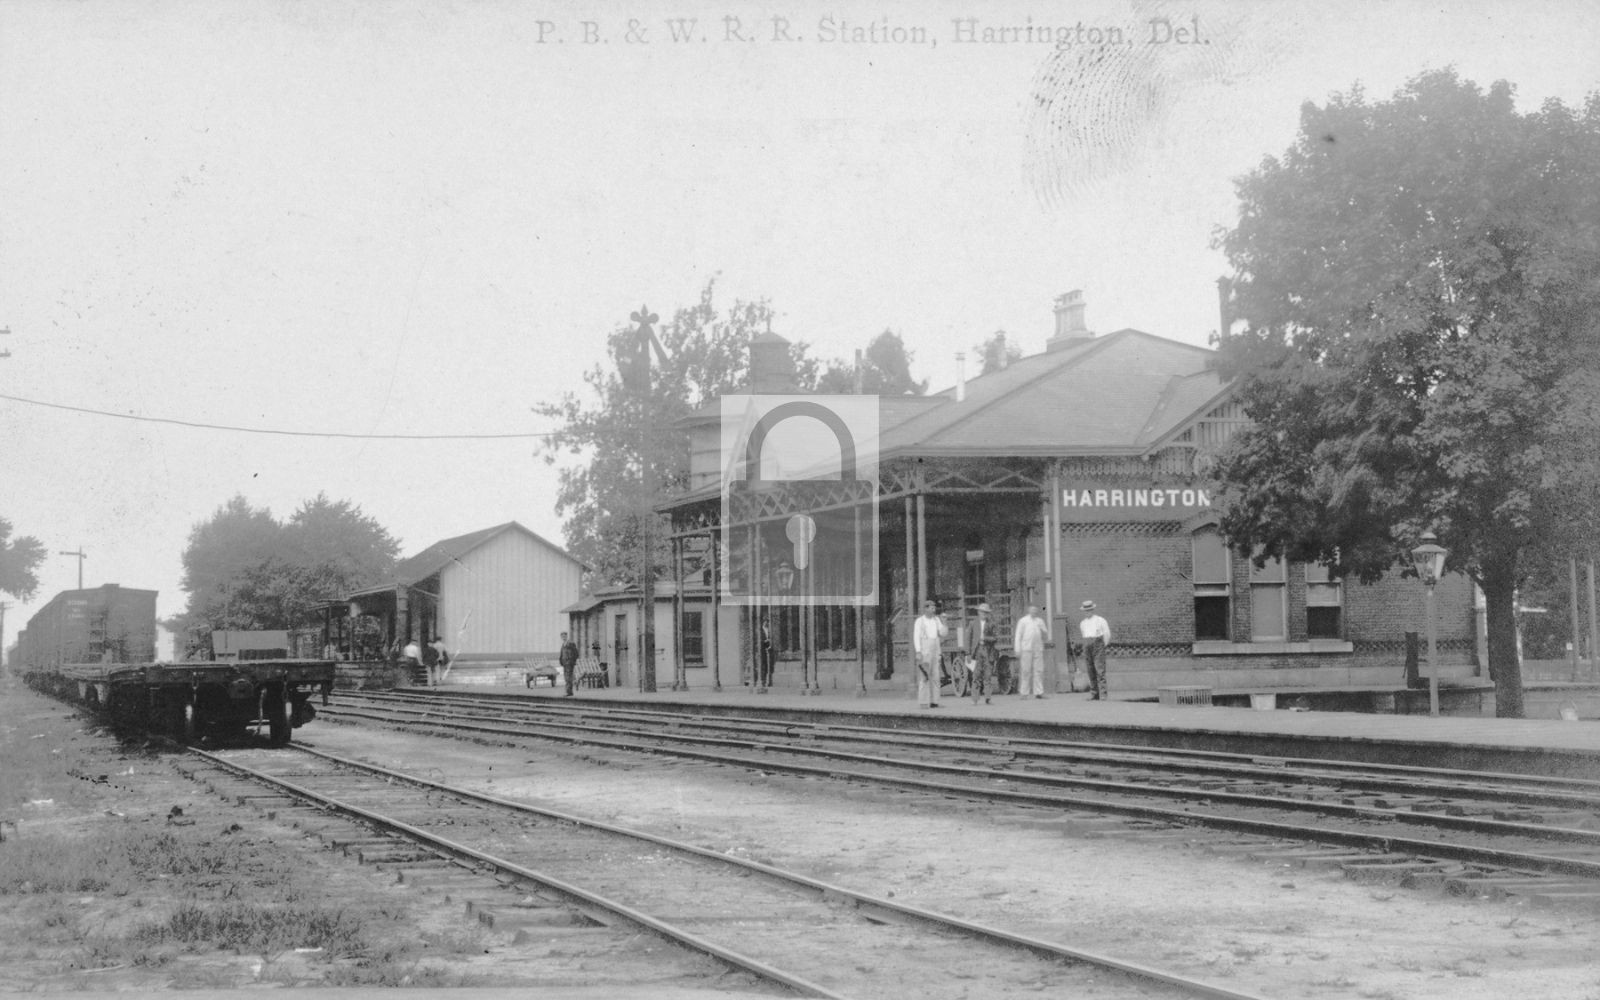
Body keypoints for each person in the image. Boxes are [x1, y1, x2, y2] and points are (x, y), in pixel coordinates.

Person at [912, 599, 948, 708]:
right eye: (931, 607)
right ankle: (923, 702)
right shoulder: (919, 621)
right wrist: (918, 651)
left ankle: (934, 701)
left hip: (935, 650)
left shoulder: (937, 620)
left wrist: (944, 622)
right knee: (924, 676)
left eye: (934, 607)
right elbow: (916, 637)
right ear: (926, 608)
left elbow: (943, 633)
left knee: (936, 676)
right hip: (925, 651)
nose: (934, 609)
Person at [1013, 604, 1049, 699]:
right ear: (1029, 610)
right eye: (1032, 610)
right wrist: (1017, 649)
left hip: (1038, 648)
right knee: (1025, 671)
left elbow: (1045, 633)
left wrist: (1043, 631)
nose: (1034, 612)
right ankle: (1024, 693)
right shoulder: (1023, 621)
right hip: (1026, 648)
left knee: (1039, 670)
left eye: (1035, 610)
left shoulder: (1040, 621)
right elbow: (1018, 635)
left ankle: (1039, 692)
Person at [1079, 600, 1112, 700]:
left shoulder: (1100, 620)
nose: (1087, 612)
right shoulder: (1083, 623)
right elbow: (1083, 635)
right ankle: (1094, 693)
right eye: (1086, 611)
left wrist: (1101, 645)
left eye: (1089, 610)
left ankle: (1103, 694)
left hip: (1098, 645)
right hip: (1087, 645)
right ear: (1084, 611)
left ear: (1092, 610)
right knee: (1090, 670)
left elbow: (1107, 634)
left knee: (1100, 669)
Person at [968, 602, 998, 704]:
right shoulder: (973, 623)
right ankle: (975, 699)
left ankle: (988, 698)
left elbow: (995, 638)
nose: (984, 614)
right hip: (977, 651)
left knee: (988, 675)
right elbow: (968, 639)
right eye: (982, 612)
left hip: (988, 651)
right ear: (978, 612)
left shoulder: (992, 623)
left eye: (986, 612)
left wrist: (985, 638)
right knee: (976, 675)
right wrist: (968, 653)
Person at [558, 631, 580, 697]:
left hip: (569, 663)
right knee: (567, 677)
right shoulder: (563, 644)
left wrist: (572, 661)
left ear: (567, 636)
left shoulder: (571, 643)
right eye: (562, 636)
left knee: (568, 678)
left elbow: (576, 653)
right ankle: (571, 689)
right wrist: (561, 661)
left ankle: (568, 692)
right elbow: (562, 654)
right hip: (565, 663)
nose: (563, 637)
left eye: (564, 636)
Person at [757, 615, 775, 690]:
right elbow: (759, 640)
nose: (766, 623)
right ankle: (762, 681)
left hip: (767, 650)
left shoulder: (768, 630)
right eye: (765, 622)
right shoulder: (760, 630)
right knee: (762, 666)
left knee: (768, 666)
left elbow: (769, 638)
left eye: (767, 622)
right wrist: (766, 642)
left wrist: (769, 646)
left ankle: (767, 681)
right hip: (762, 650)